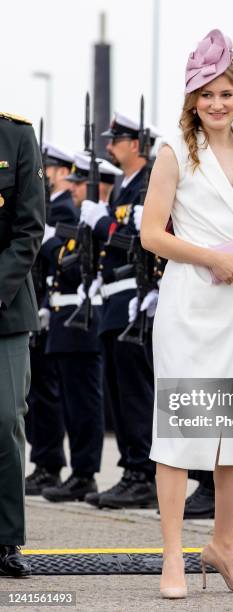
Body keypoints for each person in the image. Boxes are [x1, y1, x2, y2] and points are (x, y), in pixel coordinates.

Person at [141, 29, 233, 599]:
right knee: (179, 431)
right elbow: (151, 235)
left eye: (226, 93)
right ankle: (173, 557)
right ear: (191, 99)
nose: (216, 104)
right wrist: (213, 259)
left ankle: (225, 546)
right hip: (190, 303)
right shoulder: (173, 149)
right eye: (205, 94)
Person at [79, 113, 160, 510]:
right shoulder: (121, 189)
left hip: (135, 293)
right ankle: (131, 469)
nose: (109, 146)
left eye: (116, 140)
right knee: (118, 390)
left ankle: (143, 473)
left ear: (135, 144)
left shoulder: (149, 184)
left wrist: (104, 225)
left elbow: (140, 239)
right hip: (113, 297)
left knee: (135, 391)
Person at [39, 153, 121, 502]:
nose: (72, 190)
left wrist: (51, 244)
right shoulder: (83, 219)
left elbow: (78, 270)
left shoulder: (90, 218)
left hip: (84, 322)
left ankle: (85, 472)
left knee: (85, 404)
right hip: (67, 321)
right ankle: (79, 472)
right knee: (73, 404)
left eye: (78, 184)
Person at [0, 111, 45, 577]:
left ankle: (6, 538)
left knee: (5, 418)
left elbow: (29, 227)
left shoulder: (15, 136)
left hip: (5, 308)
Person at [25, 144, 77, 496]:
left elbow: (65, 257)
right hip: (43, 307)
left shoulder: (64, 209)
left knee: (48, 395)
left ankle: (50, 463)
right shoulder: (47, 205)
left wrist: (47, 238)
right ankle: (44, 462)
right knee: (38, 395)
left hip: (58, 310)